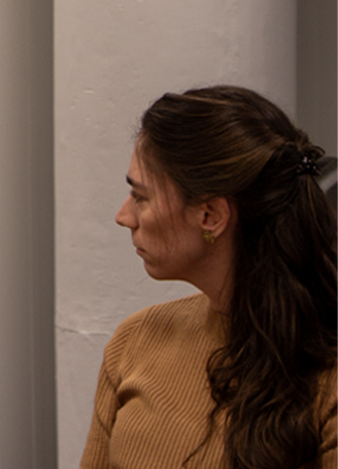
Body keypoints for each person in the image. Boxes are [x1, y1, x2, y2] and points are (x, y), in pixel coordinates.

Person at [81, 85, 337, 468]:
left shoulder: (327, 375)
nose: (124, 216)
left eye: (141, 197)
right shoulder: (133, 342)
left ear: (211, 217)